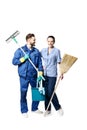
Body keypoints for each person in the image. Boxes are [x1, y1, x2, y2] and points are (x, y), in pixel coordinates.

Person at [12, 33, 43, 117]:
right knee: (23, 93)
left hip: (34, 76)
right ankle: (24, 110)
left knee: (37, 92)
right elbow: (14, 62)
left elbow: (40, 63)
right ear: (29, 40)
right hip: (24, 76)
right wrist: (23, 59)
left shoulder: (36, 51)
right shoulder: (20, 50)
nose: (35, 41)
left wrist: (40, 73)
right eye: (34, 39)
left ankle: (35, 108)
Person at [41, 35, 64, 116]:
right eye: (48, 41)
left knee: (50, 91)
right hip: (44, 74)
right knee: (46, 92)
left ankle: (58, 107)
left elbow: (59, 62)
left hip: (52, 74)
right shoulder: (43, 50)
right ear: (47, 41)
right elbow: (38, 58)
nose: (50, 42)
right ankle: (47, 109)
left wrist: (62, 72)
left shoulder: (57, 51)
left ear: (54, 42)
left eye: (51, 41)